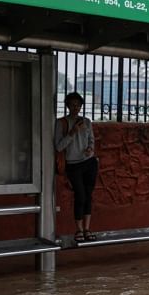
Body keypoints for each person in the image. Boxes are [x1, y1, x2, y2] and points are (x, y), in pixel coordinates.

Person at [54, 92, 98, 243]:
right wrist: (72, 133)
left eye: (78, 105)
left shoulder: (86, 121)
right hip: (73, 164)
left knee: (88, 195)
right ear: (67, 106)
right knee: (80, 195)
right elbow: (59, 146)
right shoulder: (62, 123)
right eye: (73, 105)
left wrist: (90, 149)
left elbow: (92, 140)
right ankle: (78, 229)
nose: (76, 108)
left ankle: (87, 228)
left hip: (89, 162)